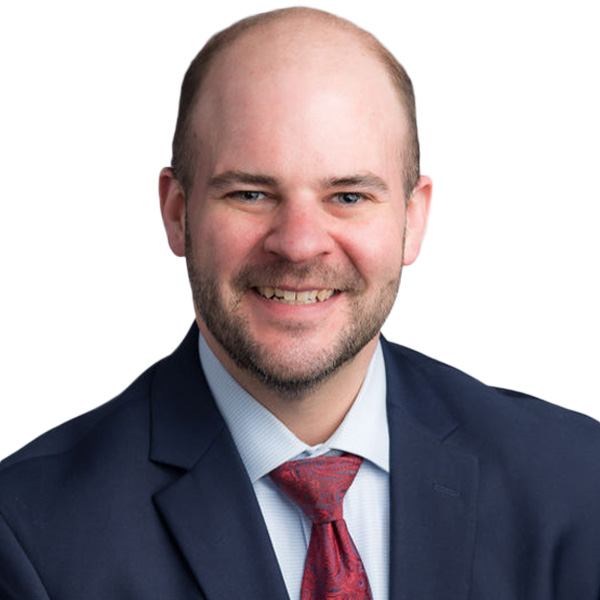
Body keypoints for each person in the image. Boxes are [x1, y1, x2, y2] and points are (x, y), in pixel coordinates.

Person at [1, 7, 599, 599]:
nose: (299, 244)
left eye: (348, 196)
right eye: (251, 194)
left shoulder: (577, 480)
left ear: (413, 219)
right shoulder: (30, 534)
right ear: (178, 213)